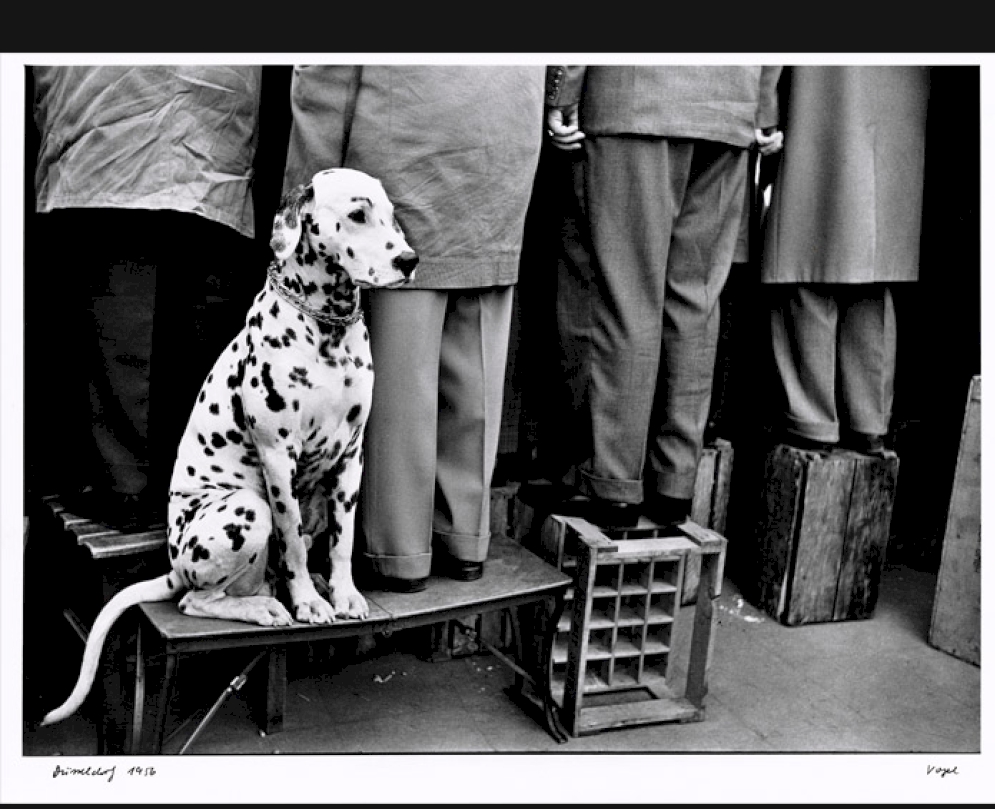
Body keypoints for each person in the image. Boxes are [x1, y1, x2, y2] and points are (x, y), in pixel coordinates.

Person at [282, 65, 545, 592]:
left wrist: (301, 196)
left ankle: (399, 554)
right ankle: (465, 540)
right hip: (507, 140)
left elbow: (325, 73)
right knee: (477, 360)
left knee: (402, 377)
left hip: (409, 146)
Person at [542, 65, 783, 527]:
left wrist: (562, 90)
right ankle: (674, 483)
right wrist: (762, 104)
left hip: (634, 98)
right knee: (696, 300)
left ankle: (612, 484)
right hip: (729, 107)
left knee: (621, 293)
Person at [30, 65, 264, 530]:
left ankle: (125, 488)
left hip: (111, 130)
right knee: (201, 329)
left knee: (118, 326)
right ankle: (194, 485)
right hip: (213, 131)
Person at [759, 66, 930, 454]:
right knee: (873, 269)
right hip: (898, 104)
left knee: (806, 257)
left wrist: (764, 109)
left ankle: (812, 418)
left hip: (820, 95)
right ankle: (868, 418)